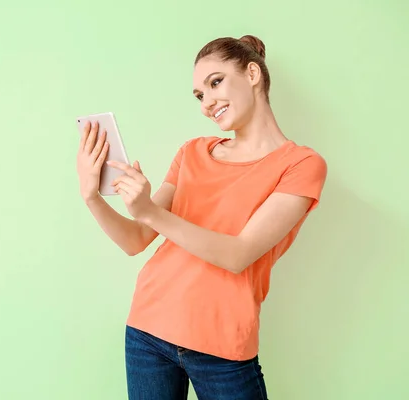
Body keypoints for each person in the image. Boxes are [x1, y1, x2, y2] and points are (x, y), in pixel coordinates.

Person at [75, 34, 327, 400]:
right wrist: (92, 197)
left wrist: (148, 210)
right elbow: (136, 241)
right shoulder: (192, 152)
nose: (208, 102)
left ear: (253, 73)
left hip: (222, 346)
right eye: (199, 96)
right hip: (148, 331)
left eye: (215, 83)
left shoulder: (301, 165)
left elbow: (238, 254)